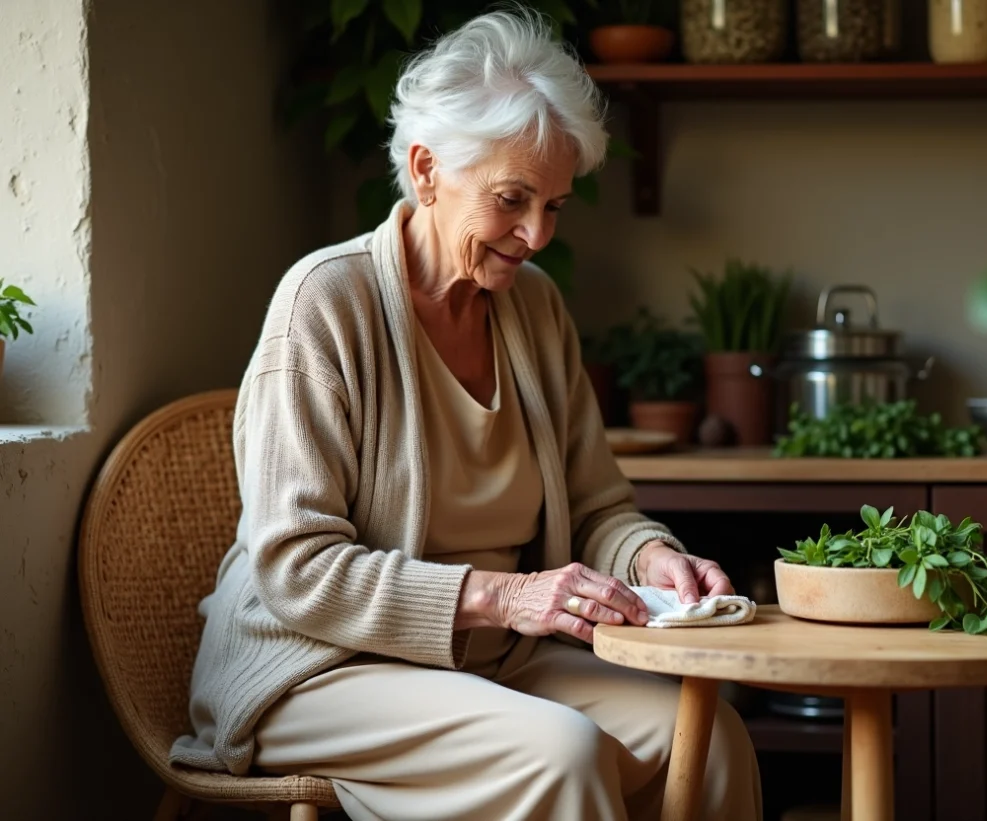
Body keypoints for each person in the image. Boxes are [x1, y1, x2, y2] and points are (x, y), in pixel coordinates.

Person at [170, 9, 762, 820]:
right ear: (425, 170)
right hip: (320, 665)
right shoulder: (325, 302)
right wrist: (506, 596)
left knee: (709, 736)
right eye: (513, 199)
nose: (535, 235)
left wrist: (651, 558)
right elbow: (294, 567)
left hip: (493, 663)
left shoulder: (537, 310)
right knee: (563, 756)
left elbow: (597, 509)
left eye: (554, 205)